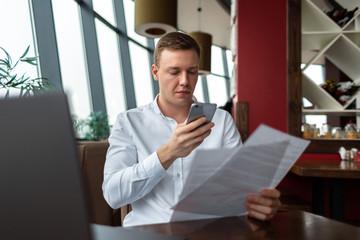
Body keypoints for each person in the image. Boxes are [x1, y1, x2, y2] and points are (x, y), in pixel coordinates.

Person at [102, 32, 280, 227]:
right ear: (155, 72)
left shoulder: (221, 121)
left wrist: (257, 204)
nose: (185, 81)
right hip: (149, 232)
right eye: (174, 72)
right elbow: (113, 195)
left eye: (192, 71)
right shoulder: (128, 122)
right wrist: (167, 154)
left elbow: (239, 189)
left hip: (209, 232)